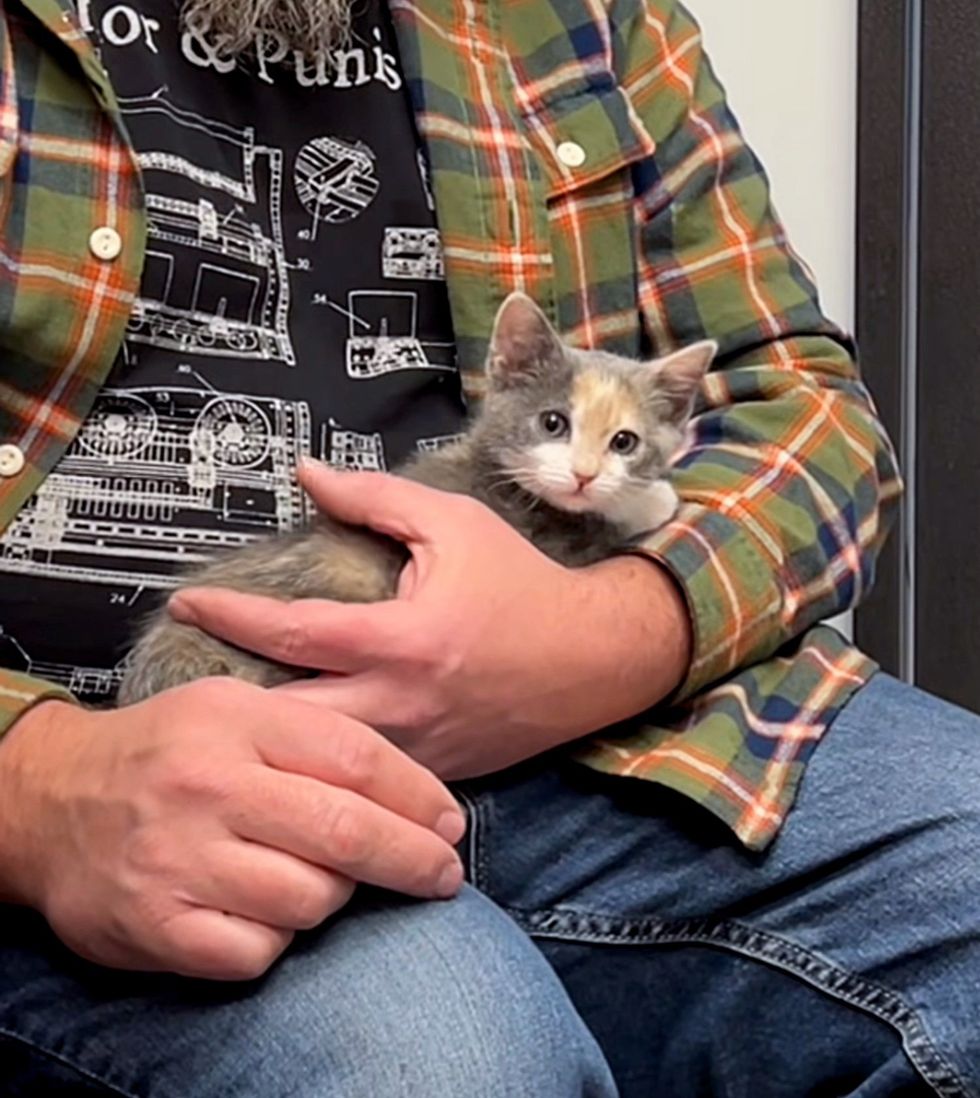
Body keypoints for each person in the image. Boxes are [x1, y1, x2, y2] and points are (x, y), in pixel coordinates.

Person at [0, 0, 977, 1093]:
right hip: (122, 784)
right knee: (444, 1059)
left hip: (608, 746)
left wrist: (609, 635)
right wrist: (32, 787)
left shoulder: (591, 18)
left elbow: (805, 409)